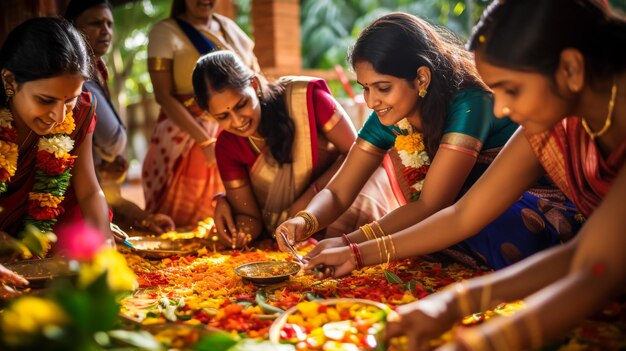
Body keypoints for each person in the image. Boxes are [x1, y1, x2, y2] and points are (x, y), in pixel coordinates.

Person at [376, 1, 626, 350]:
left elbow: (598, 268)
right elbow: (465, 214)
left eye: (511, 89)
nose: (501, 108)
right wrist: (450, 303)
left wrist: (487, 341)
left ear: (570, 68)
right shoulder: (558, 120)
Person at [285, 12, 577, 272]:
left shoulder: (469, 103)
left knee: (485, 230)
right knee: (416, 232)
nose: (372, 101)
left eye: (382, 88)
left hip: (526, 202)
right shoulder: (389, 114)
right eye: (365, 88)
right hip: (458, 211)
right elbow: (337, 191)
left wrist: (351, 245)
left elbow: (432, 204)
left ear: (421, 78)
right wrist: (306, 220)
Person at [191, 50, 399, 249]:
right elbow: (252, 220)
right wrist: (235, 233)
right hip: (286, 227)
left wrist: (312, 195)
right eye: (223, 117)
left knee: (367, 181)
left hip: (340, 199)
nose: (237, 121)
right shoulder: (227, 147)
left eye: (241, 104)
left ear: (253, 85)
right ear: (210, 115)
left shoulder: (306, 99)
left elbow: (358, 156)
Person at [142, 0, 260, 227]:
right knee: (180, 224)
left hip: (237, 129)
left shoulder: (229, 27)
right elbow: (163, 95)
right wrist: (206, 143)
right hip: (186, 136)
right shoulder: (165, 32)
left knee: (240, 210)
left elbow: (255, 75)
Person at [0, 18, 115, 245]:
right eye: (45, 100)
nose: (59, 116)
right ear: (9, 80)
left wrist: (104, 239)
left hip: (48, 240)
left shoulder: (81, 112)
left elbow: (89, 190)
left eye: (70, 100)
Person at [64, 0, 175, 234]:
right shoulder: (80, 84)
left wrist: (144, 219)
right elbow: (113, 141)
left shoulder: (98, 72)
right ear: (72, 29)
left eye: (109, 24)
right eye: (96, 23)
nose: (106, 31)